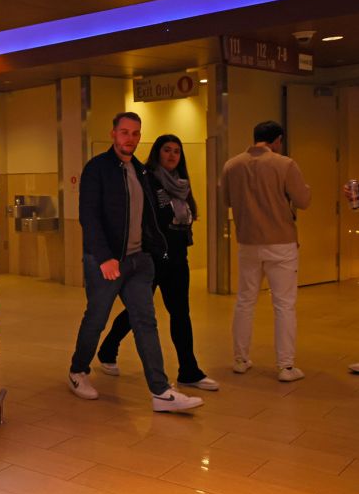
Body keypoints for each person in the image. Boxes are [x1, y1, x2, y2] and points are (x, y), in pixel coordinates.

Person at [68, 113, 203, 412]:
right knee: (97, 318)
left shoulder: (141, 171)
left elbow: (151, 218)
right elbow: (89, 217)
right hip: (105, 261)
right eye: (124, 132)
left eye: (135, 133)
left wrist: (155, 252)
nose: (130, 138)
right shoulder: (97, 169)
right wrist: (104, 257)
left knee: (145, 321)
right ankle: (78, 370)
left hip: (139, 261)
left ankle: (160, 392)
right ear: (113, 133)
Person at [97, 135, 219, 391]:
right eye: (167, 150)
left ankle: (189, 370)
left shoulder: (181, 184)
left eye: (177, 151)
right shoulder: (148, 180)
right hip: (151, 257)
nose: (172, 155)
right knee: (138, 312)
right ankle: (108, 348)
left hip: (177, 258)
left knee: (180, 313)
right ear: (157, 153)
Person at [221, 120, 311, 381]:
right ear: (277, 140)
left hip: (247, 242)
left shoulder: (232, 165)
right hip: (280, 243)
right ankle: (285, 366)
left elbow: (227, 200)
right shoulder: (285, 164)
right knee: (283, 305)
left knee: (245, 302)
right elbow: (303, 200)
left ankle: (240, 359)